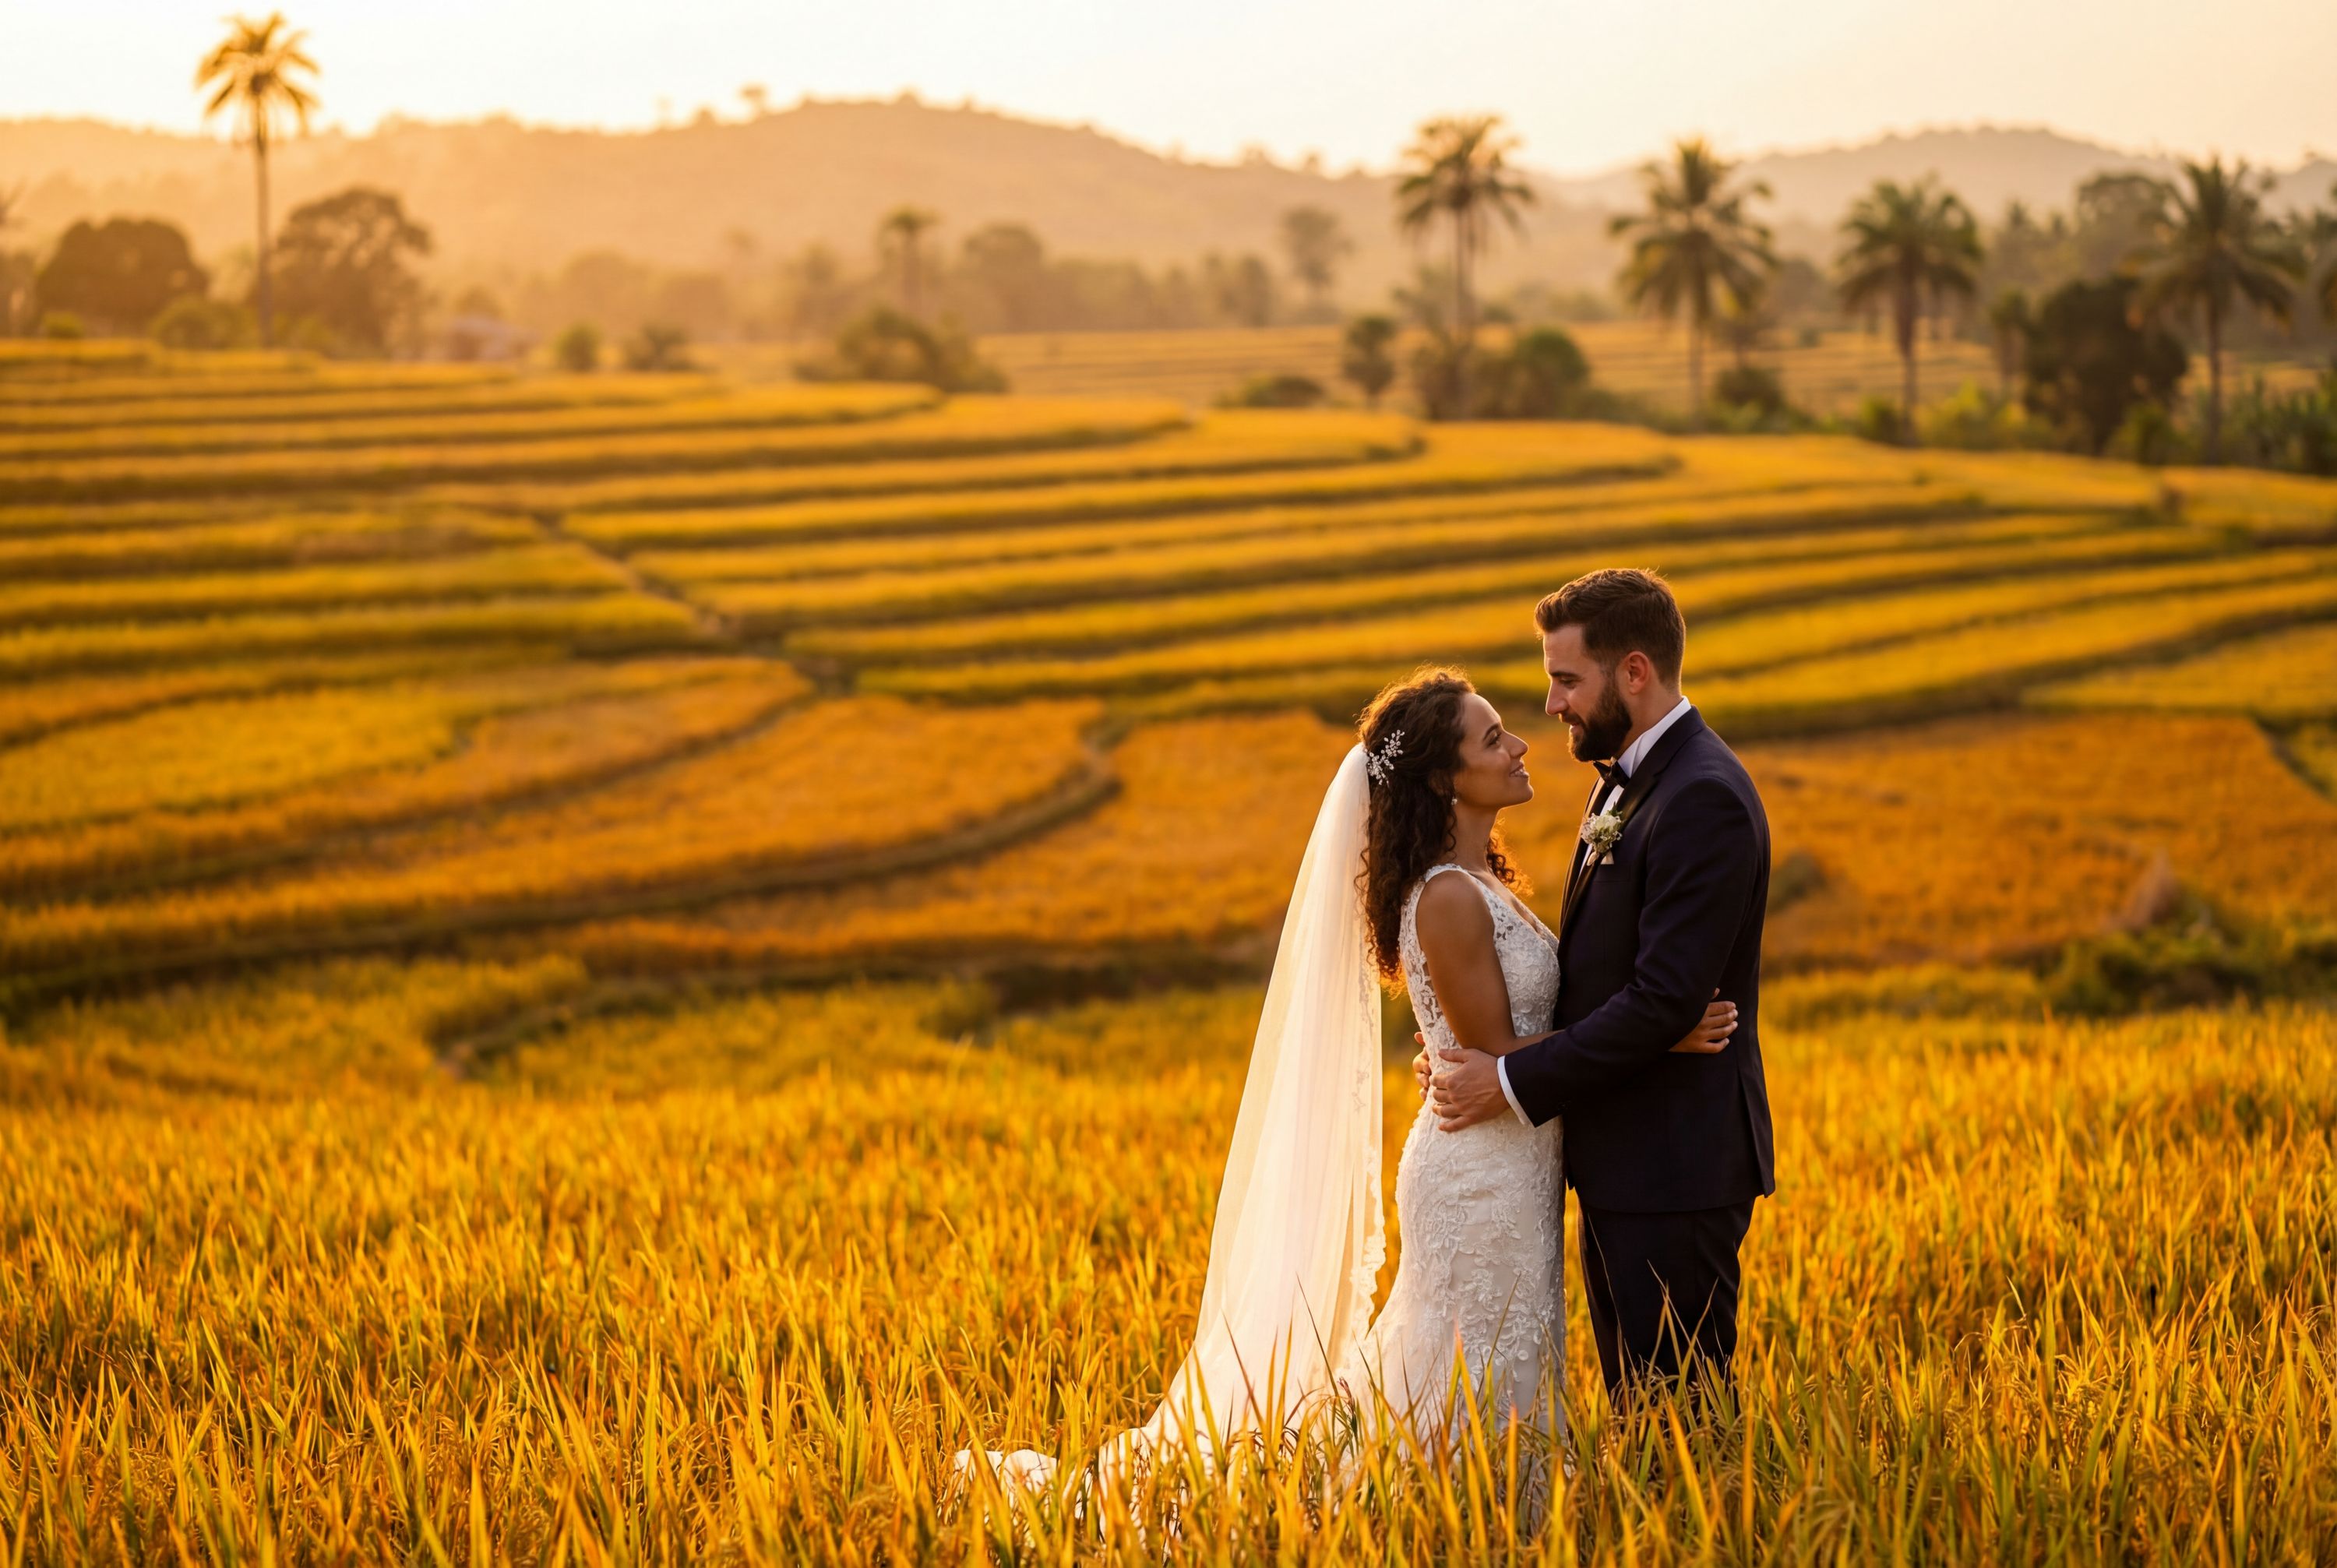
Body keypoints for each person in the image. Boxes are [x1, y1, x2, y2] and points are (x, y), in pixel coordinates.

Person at [1426, 568, 1775, 1401]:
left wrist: (1508, 1077)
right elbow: (1616, 985)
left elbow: (1663, 999)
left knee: (1679, 1415)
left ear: (1634, 672)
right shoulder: (1628, 781)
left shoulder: (1701, 797)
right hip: (1627, 1161)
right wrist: (1458, 1045)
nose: (1553, 705)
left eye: (1567, 680)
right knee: (1640, 1410)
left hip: (1674, 1166)